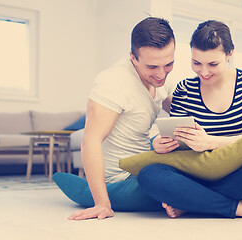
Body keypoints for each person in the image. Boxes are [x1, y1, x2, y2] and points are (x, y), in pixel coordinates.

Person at [137, 20, 242, 219]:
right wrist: (162, 143)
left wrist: (209, 142)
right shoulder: (184, 89)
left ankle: (194, 203)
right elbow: (179, 142)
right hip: (201, 175)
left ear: (229, 55)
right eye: (197, 63)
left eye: (213, 64)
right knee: (149, 175)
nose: (204, 72)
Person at [53, 17, 176, 220]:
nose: (161, 74)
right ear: (133, 58)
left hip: (147, 164)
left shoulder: (162, 76)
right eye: (152, 67)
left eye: (169, 64)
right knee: (176, 185)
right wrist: (102, 203)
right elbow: (90, 141)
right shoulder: (113, 82)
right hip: (121, 178)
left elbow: (186, 113)